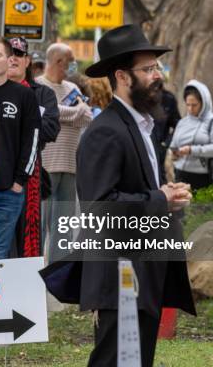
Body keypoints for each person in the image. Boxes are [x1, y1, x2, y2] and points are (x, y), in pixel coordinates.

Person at [77, 24, 196, 367]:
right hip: (118, 274)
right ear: (122, 76)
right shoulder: (105, 132)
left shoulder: (144, 124)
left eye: (158, 67)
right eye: (148, 69)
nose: (158, 75)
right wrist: (160, 199)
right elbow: (100, 209)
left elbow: (141, 189)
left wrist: (165, 195)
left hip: (144, 271)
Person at [0, 35, 41, 260]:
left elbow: (32, 140)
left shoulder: (23, 95)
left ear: (9, 60)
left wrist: (19, 181)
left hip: (8, 190)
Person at [36, 43, 92, 262]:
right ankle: (35, 268)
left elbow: (87, 116)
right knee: (41, 224)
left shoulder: (73, 89)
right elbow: (47, 113)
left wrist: (60, 115)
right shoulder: (38, 86)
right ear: (58, 61)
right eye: (70, 61)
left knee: (64, 224)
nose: (72, 65)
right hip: (46, 165)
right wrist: (72, 113)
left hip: (70, 165)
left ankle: (57, 268)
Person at [7, 36, 60, 258]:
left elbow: (49, 130)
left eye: (18, 55)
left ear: (27, 60)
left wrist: (15, 126)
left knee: (26, 234)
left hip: (29, 175)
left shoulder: (43, 94)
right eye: (8, 54)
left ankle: (27, 288)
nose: (13, 59)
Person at [170, 80, 213, 191]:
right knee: (181, 208)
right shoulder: (182, 123)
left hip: (203, 177)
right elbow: (174, 144)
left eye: (194, 105)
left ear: (204, 102)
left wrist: (192, 150)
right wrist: (174, 152)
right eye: (188, 105)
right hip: (180, 174)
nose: (190, 109)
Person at [152, 63, 181, 184]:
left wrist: (167, 143)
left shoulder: (168, 99)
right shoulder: (138, 98)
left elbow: (177, 123)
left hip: (160, 148)